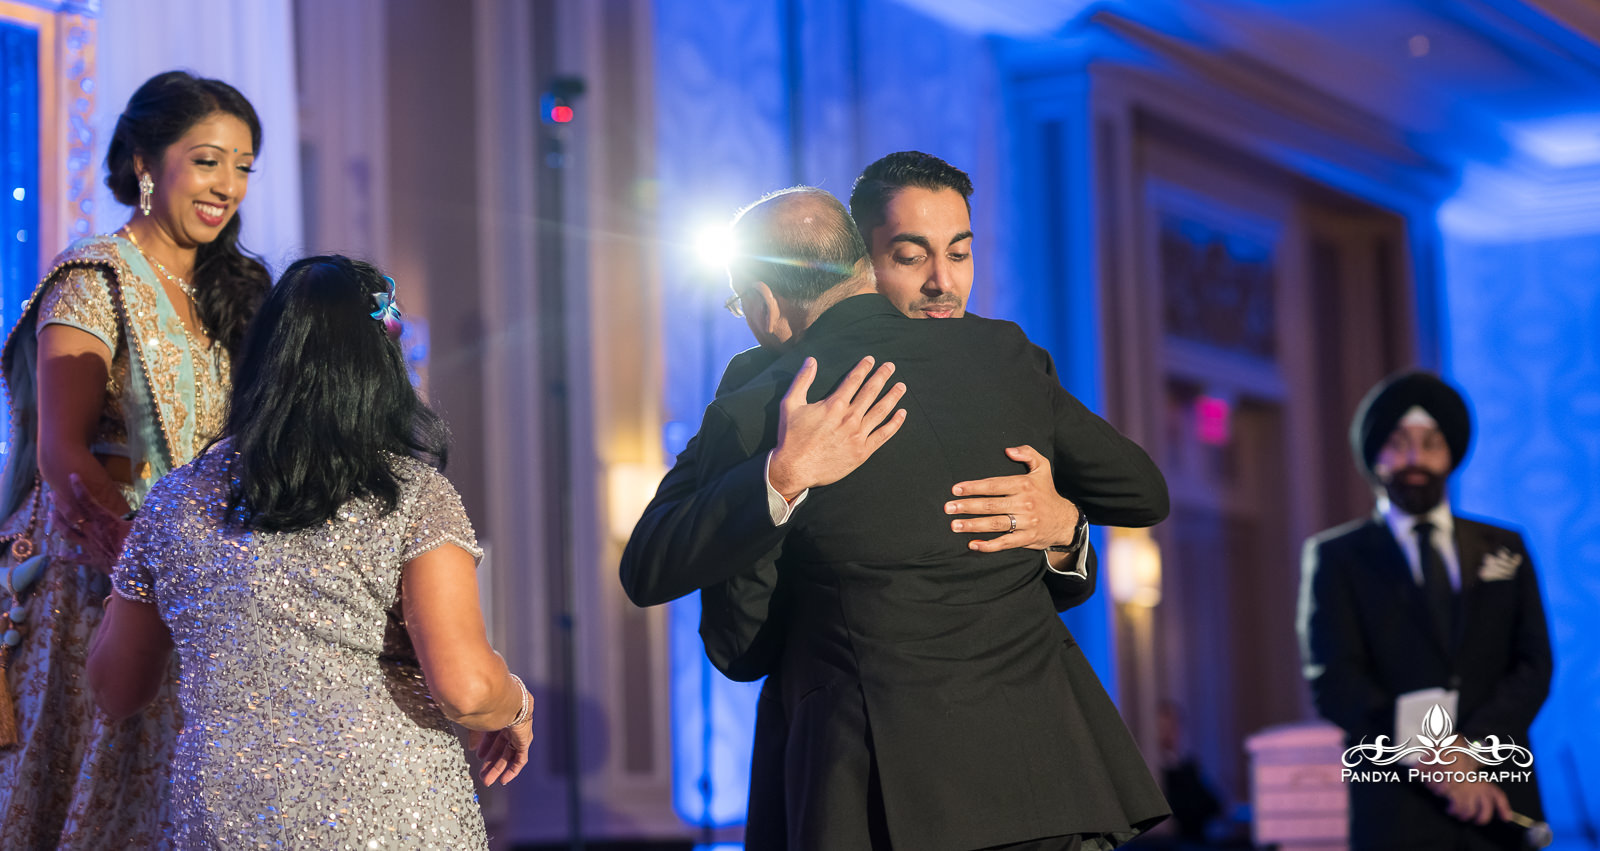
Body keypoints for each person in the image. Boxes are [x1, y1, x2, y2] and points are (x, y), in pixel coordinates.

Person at [621, 188, 1170, 850]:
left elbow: (659, 576)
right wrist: (1069, 522)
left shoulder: (761, 404)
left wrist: (781, 474)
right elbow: (1144, 494)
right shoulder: (1004, 355)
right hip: (1052, 781)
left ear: (764, 303)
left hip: (881, 793)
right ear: (863, 264)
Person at [85, 256, 531, 849]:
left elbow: (115, 689)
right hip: (391, 814)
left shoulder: (174, 502)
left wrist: (124, 580)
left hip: (228, 819)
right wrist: (516, 704)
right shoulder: (411, 496)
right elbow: (467, 689)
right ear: (380, 368)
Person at [0, 70, 272, 847]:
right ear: (146, 163)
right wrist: (146, 569)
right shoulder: (94, 278)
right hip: (94, 577)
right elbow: (63, 453)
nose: (228, 186)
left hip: (201, 583)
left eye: (243, 167)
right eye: (208, 160)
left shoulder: (234, 291)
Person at [1297, 371, 1551, 851]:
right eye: (1398, 444)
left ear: (1451, 454)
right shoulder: (1336, 557)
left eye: (1430, 444)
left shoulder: (1505, 546)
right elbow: (1334, 681)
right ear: (1375, 456)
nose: (1415, 459)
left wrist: (1469, 752)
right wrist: (1429, 755)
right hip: (1396, 806)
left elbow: (1534, 665)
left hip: (1498, 795)